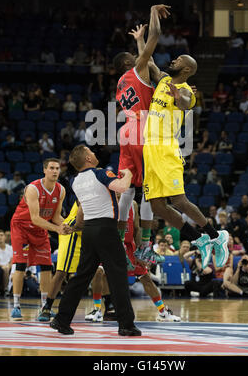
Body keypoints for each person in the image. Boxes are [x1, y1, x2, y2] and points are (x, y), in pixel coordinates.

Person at [143, 55, 230, 270]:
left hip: (166, 148)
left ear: (187, 69)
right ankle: (198, 239)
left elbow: (184, 104)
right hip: (150, 150)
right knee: (157, 207)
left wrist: (177, 96)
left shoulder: (187, 91)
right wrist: (141, 37)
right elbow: (149, 60)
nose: (174, 59)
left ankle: (215, 235)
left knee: (179, 201)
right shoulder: (163, 80)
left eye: (179, 59)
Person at [50, 144, 141, 337]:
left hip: (89, 230)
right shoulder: (100, 174)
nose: (94, 153)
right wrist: (128, 174)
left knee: (81, 276)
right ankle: (126, 324)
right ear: (88, 159)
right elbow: (122, 187)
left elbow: (82, 211)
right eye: (91, 151)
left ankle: (62, 319)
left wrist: (76, 227)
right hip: (106, 229)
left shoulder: (75, 181)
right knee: (117, 276)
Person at [114, 4, 171, 265]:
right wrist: (151, 13)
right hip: (143, 132)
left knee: (126, 192)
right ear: (131, 61)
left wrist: (137, 42)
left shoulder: (121, 82)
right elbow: (154, 40)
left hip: (125, 132)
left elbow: (143, 66)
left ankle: (118, 244)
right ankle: (145, 245)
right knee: (148, 191)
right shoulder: (138, 68)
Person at [85, 200, 181, 323]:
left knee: (145, 278)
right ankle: (97, 310)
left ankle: (163, 312)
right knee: (99, 272)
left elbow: (136, 228)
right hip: (109, 245)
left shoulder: (132, 204)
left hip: (128, 246)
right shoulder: (106, 201)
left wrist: (141, 251)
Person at [10, 158, 67, 321]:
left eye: (57, 168)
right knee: (20, 264)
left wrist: (68, 226)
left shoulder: (61, 190)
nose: (55, 171)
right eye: (52, 168)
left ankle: (45, 307)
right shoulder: (33, 188)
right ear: (44, 170)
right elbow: (35, 218)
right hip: (22, 226)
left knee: (47, 266)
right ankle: (16, 306)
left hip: (41, 228)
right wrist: (57, 229)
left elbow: (56, 217)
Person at [37, 201, 82, 322]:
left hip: (89, 232)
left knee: (98, 271)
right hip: (72, 231)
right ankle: (47, 307)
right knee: (62, 272)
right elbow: (82, 218)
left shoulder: (116, 198)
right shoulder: (90, 188)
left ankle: (105, 306)